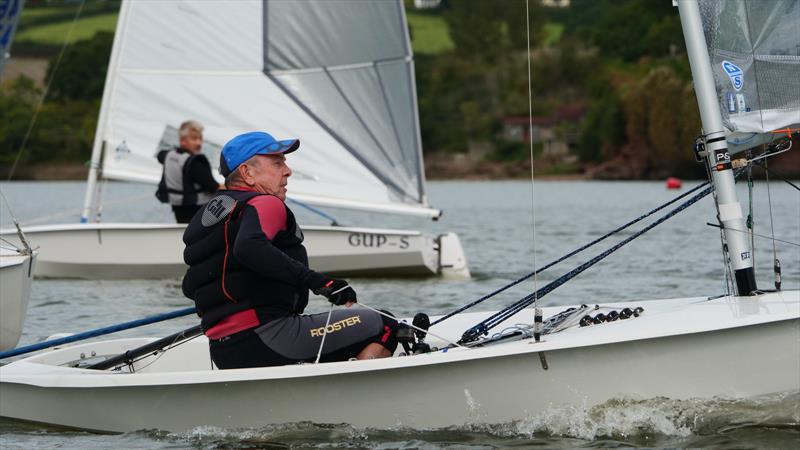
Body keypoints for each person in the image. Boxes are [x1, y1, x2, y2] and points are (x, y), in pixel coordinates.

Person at [181, 131, 398, 369]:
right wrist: (320, 283)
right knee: (385, 323)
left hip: (224, 350)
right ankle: (354, 401)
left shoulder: (207, 216)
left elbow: (192, 287)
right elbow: (249, 247)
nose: (287, 170)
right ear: (247, 173)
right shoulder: (265, 203)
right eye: (277, 162)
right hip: (272, 339)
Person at [156, 120, 221, 223]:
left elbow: (160, 156)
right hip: (199, 214)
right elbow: (215, 187)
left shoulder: (166, 155)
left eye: (200, 139)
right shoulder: (195, 164)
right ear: (182, 141)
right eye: (194, 139)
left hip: (180, 212)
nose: (199, 143)